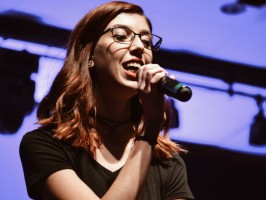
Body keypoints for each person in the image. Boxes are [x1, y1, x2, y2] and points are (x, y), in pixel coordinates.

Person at [19, 1, 194, 199]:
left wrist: (149, 135)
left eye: (146, 42)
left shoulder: (167, 162)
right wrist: (147, 135)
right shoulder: (45, 146)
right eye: (120, 36)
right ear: (89, 55)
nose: (139, 47)